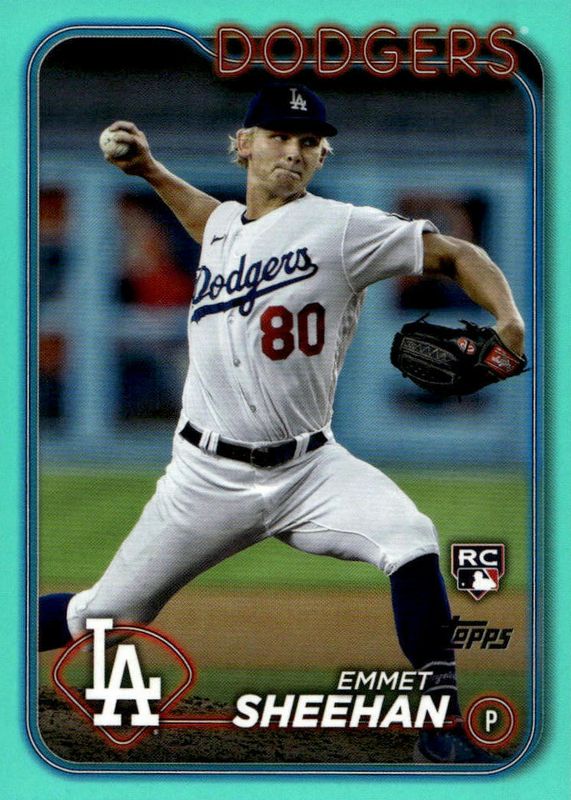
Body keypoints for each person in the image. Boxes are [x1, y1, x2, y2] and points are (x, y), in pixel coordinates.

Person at [39, 83, 525, 763]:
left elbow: (454, 254)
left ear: (322, 156)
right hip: (204, 479)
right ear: (243, 145)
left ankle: (442, 726)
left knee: (409, 536)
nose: (292, 151)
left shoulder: (344, 228)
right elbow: (210, 222)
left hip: (310, 469)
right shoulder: (224, 226)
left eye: (308, 142)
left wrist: (509, 321)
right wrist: (148, 170)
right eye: (277, 136)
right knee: (104, 617)